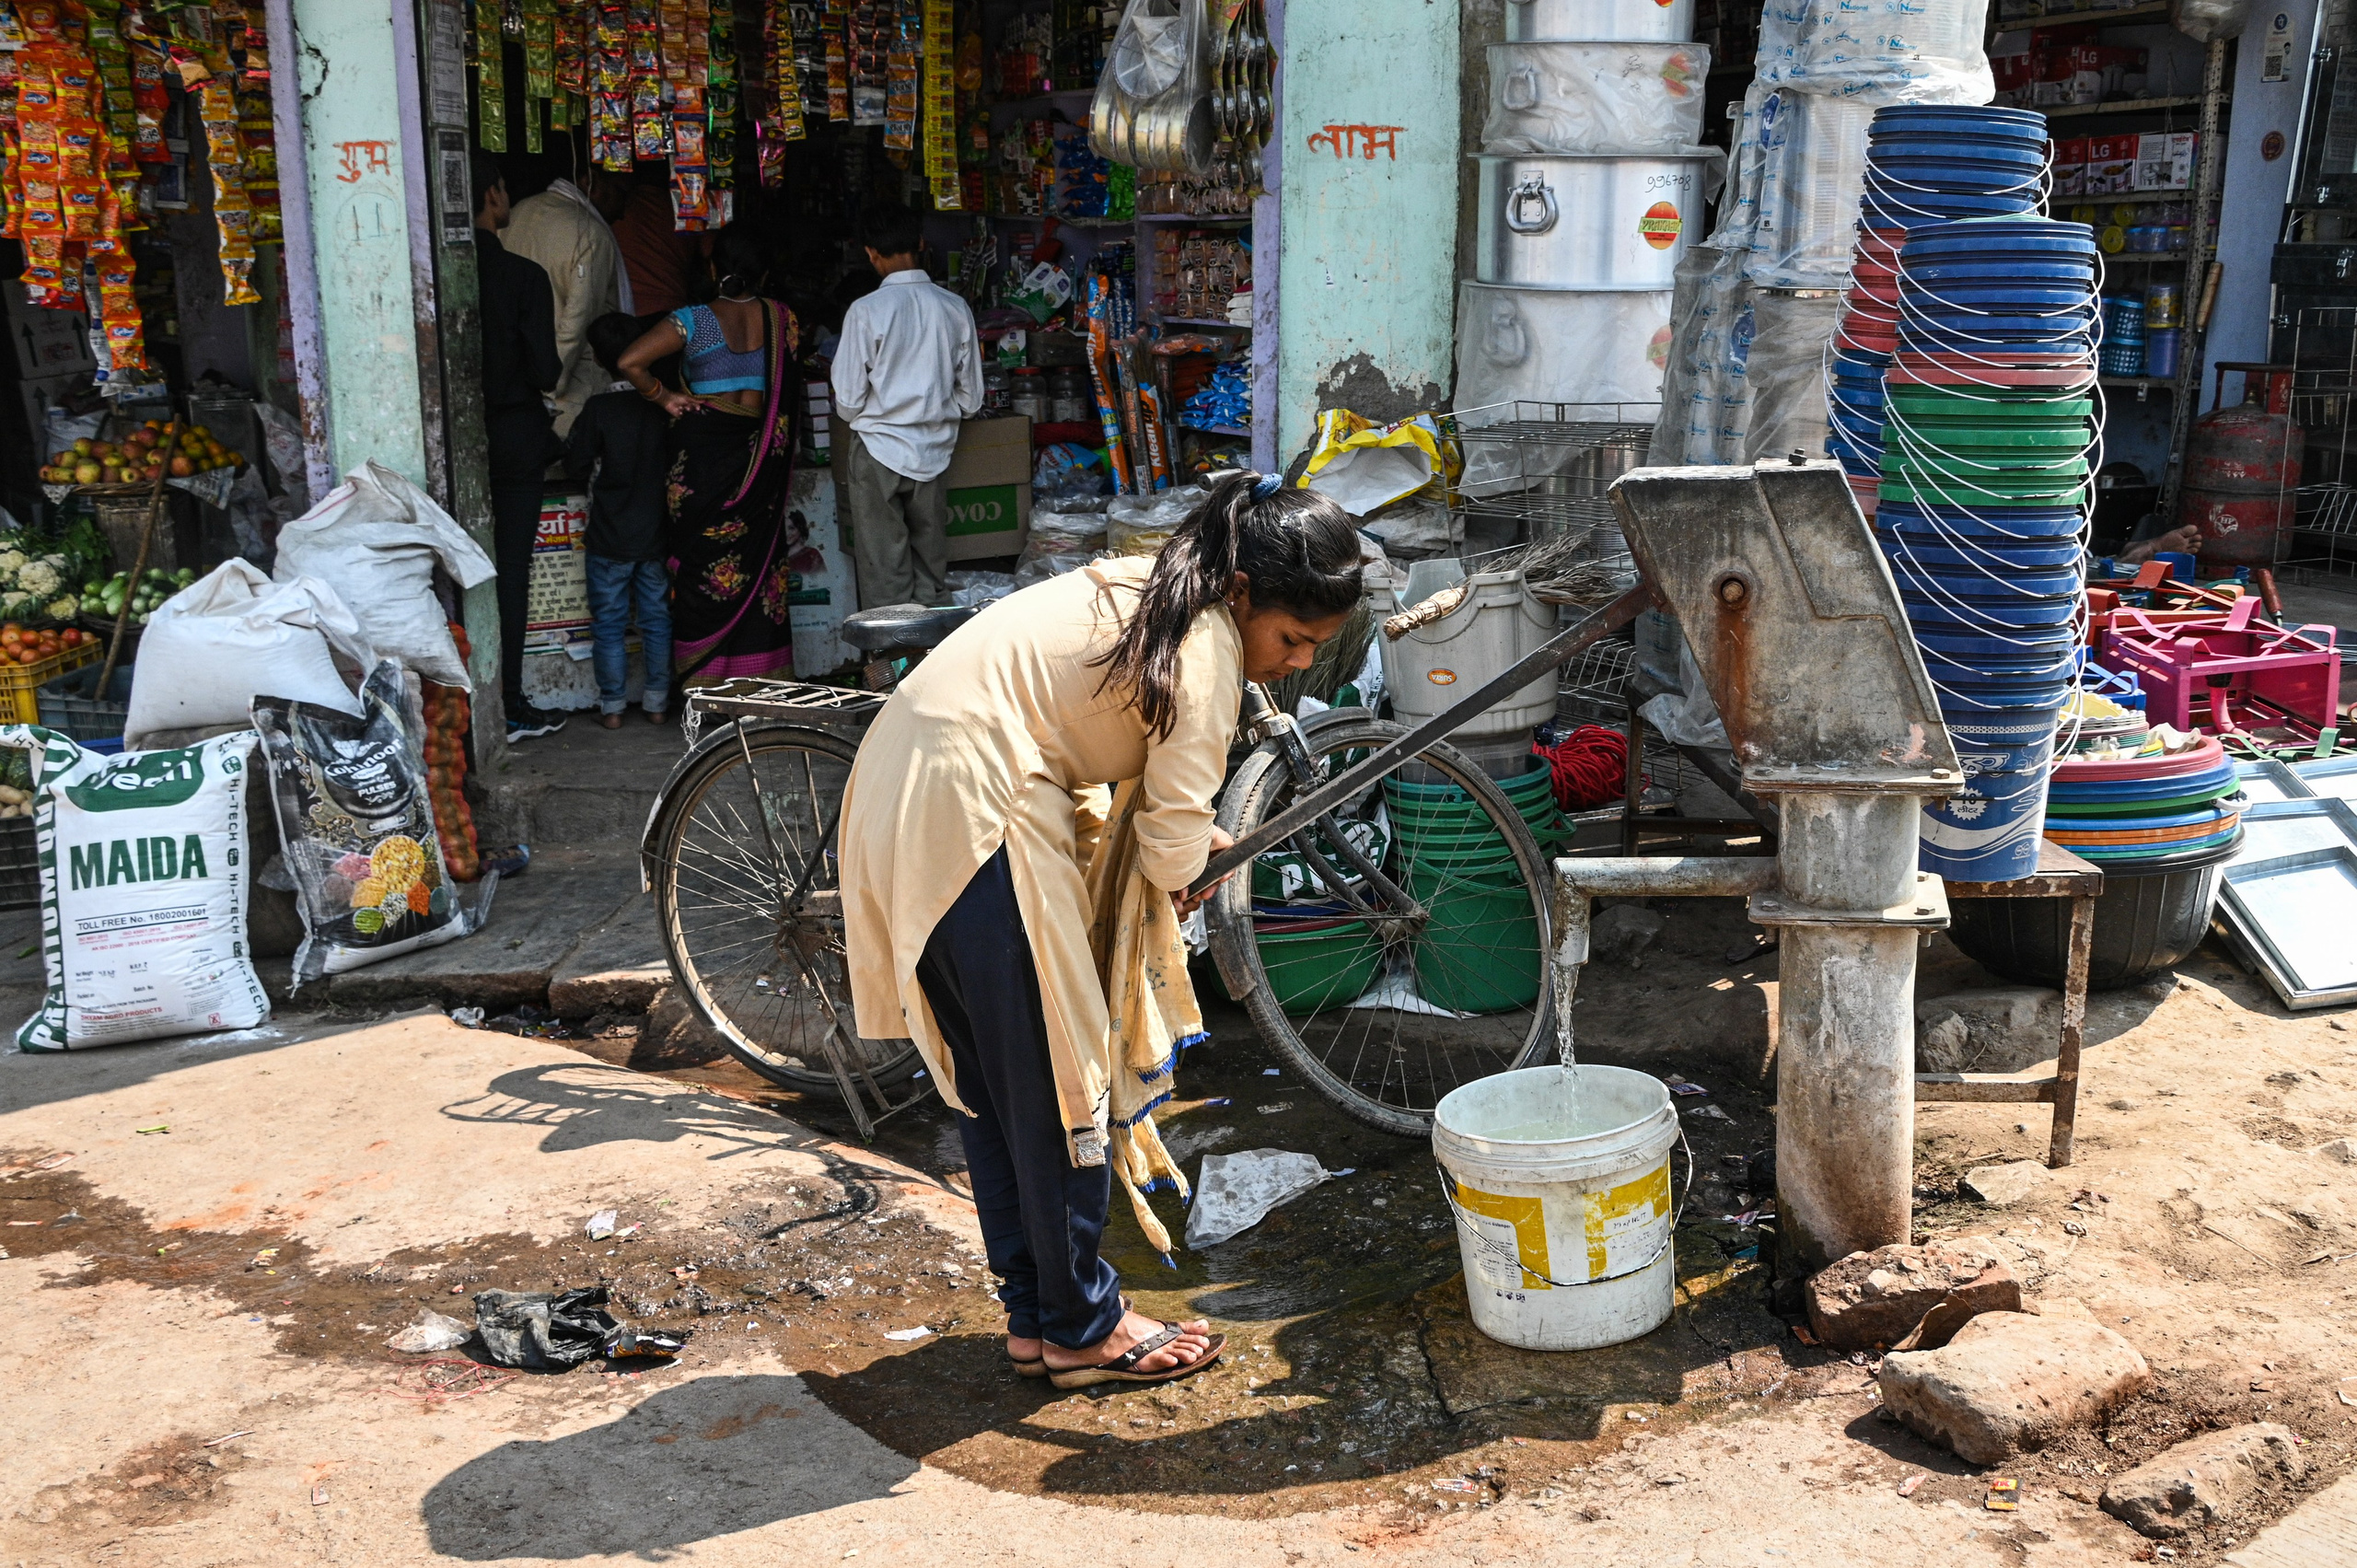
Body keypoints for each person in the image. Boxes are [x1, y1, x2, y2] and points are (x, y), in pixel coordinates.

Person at [840, 472, 1364, 1388]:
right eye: (1290, 638)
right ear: (1243, 592)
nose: (1293, 662)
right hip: (975, 813)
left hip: (912, 793)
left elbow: (1139, 792)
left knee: (1000, 1090)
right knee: (1056, 1081)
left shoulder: (1156, 587)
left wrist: (1182, 843)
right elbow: (1171, 847)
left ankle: (1041, 1318)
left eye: (1314, 647)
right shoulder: (1205, 646)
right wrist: (1193, 856)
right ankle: (1085, 1325)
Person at [614, 227, 801, 681]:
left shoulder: (692, 320)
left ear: (714, 268)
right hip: (758, 465)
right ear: (765, 273)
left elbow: (629, 362)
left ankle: (707, 686)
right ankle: (764, 681)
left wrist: (664, 397)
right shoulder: (783, 320)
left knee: (702, 571)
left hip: (702, 464)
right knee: (760, 571)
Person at [830, 203, 983, 609]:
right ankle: (931, 641)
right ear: (920, 244)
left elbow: (848, 402)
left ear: (871, 253)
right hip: (934, 451)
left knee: (885, 574)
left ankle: (891, 645)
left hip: (878, 450)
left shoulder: (866, 311)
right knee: (930, 572)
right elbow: (972, 399)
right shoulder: (954, 307)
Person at [470, 150, 570, 743]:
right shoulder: (521, 276)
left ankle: (467, 700)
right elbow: (545, 371)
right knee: (510, 570)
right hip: (513, 437)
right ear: (493, 195)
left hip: (457, 441)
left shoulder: (437, 275)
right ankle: (508, 702)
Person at [563, 312, 673, 728]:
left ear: (596, 358)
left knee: (608, 625)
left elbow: (576, 463)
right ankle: (658, 703)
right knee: (656, 621)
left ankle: (612, 708)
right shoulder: (660, 407)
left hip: (608, 537)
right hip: (654, 536)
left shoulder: (599, 409)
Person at [503, 164, 633, 436]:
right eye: (621, 193)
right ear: (591, 181)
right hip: (568, 396)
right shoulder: (589, 233)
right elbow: (578, 322)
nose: (623, 213)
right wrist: (550, 388)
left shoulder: (515, 214)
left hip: (514, 385)